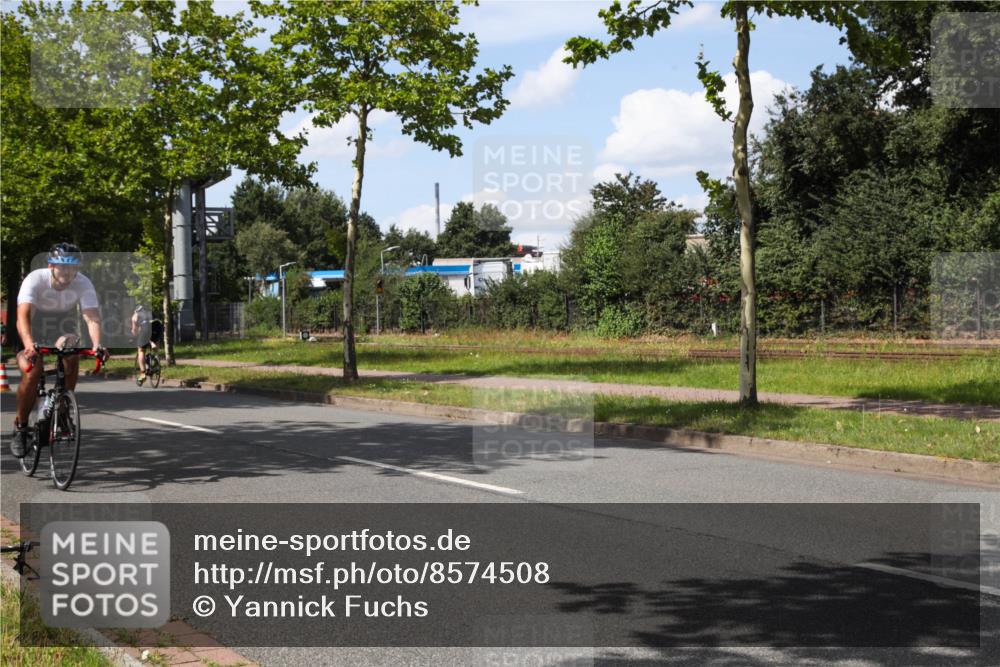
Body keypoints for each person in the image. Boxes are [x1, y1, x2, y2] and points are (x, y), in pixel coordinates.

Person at [9, 243, 108, 458]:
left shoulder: (83, 283)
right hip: (31, 326)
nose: (67, 272)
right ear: (51, 266)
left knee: (71, 353)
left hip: (61, 325)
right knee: (32, 372)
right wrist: (28, 344)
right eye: (62, 267)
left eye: (72, 268)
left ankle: (62, 409)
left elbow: (91, 317)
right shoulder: (35, 279)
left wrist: (97, 344)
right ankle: (21, 428)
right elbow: (23, 316)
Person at [131, 304, 152, 384]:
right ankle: (155, 359)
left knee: (141, 350)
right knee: (154, 345)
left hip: (145, 328)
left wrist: (135, 333)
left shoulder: (136, 314)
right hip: (156, 326)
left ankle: (143, 373)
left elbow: (134, 330)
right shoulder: (149, 312)